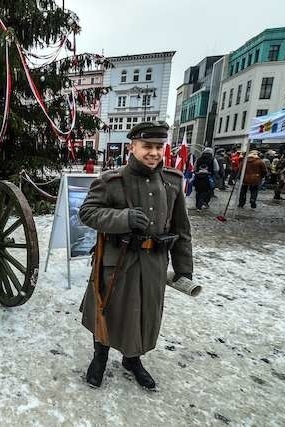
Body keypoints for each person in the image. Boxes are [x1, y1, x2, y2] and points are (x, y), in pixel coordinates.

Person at [78, 121, 193, 390]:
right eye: (147, 146)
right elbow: (87, 213)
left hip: (154, 264)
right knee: (108, 310)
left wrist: (184, 269)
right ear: (133, 147)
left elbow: (182, 229)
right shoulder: (111, 181)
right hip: (117, 261)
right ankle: (100, 357)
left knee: (144, 314)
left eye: (158, 147)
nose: (153, 152)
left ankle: (133, 359)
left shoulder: (173, 182)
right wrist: (123, 218)